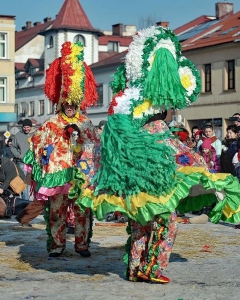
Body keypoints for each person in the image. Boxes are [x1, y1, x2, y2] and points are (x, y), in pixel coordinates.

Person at [87, 26, 240, 284]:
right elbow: (187, 160)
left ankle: (135, 268)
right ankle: (152, 268)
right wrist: (208, 177)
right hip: (159, 190)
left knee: (140, 225)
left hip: (141, 191)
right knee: (166, 224)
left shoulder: (134, 131)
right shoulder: (158, 132)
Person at [23, 41, 100, 258]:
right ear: (61, 102)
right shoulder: (51, 122)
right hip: (58, 176)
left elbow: (95, 146)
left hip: (80, 176)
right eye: (66, 102)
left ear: (77, 102)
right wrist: (46, 150)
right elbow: (36, 142)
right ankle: (57, 245)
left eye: (72, 102)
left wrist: (82, 138)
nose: (69, 105)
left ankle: (82, 245)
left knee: (83, 212)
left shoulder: (86, 122)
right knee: (56, 212)